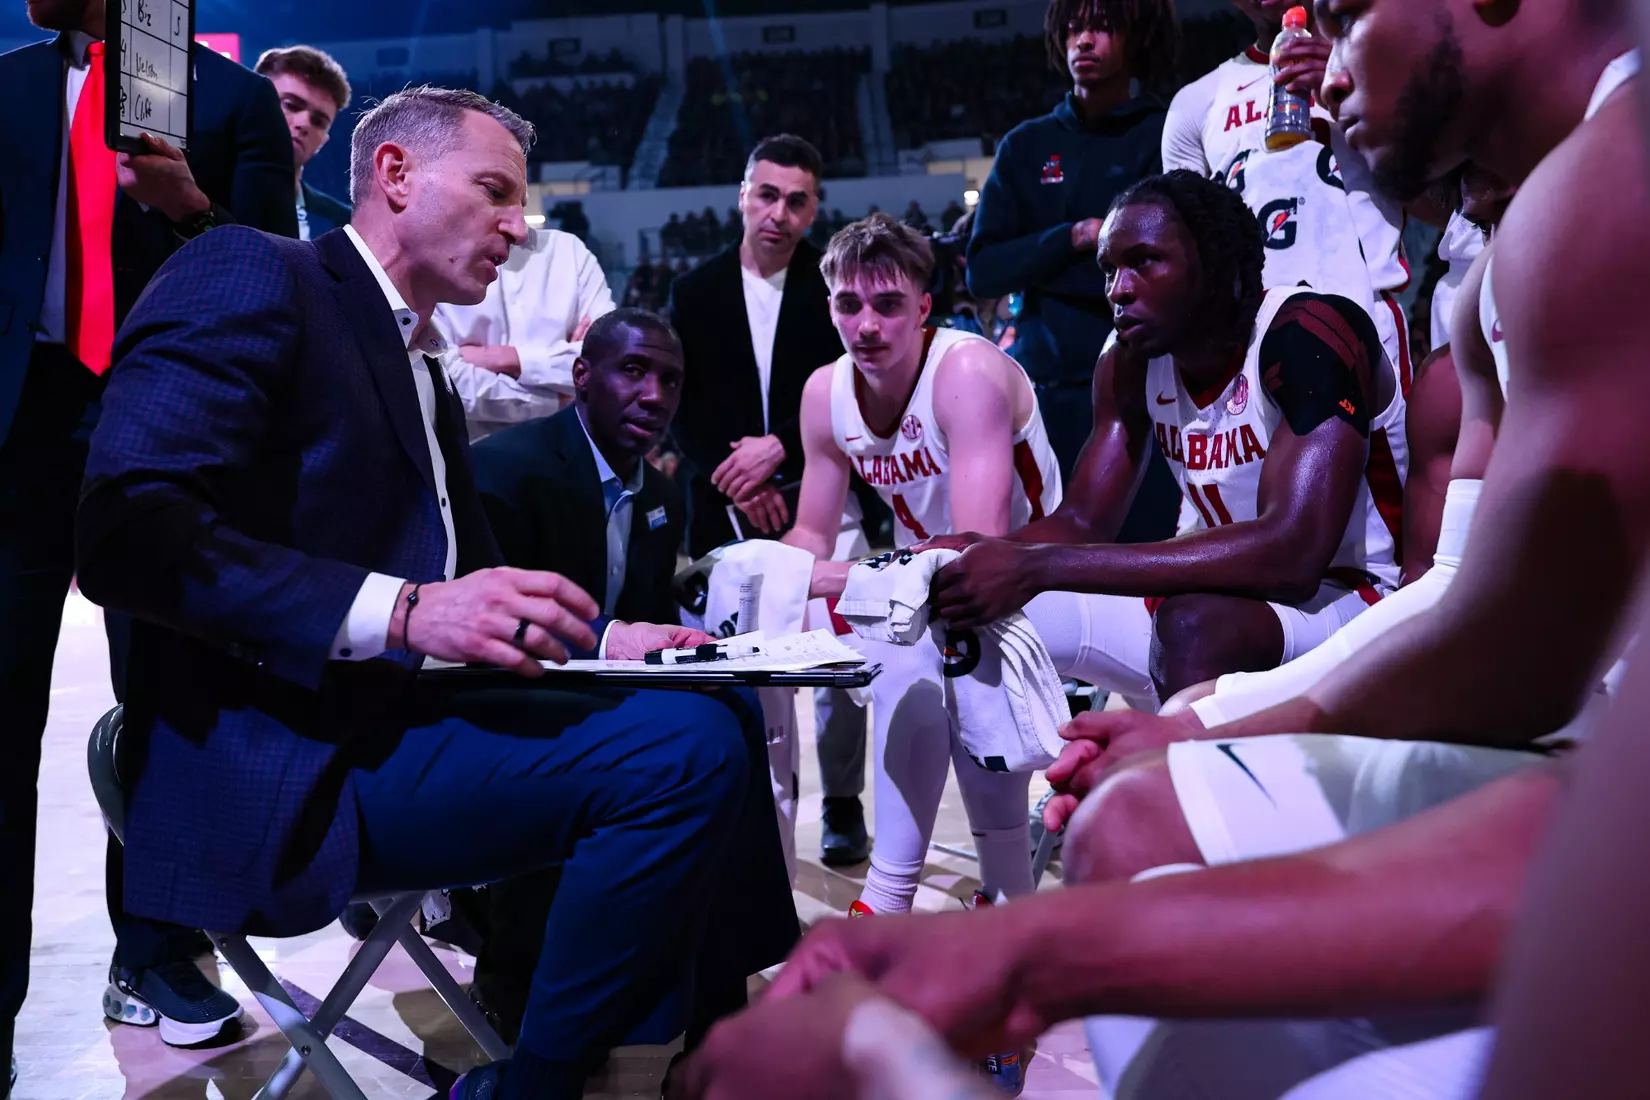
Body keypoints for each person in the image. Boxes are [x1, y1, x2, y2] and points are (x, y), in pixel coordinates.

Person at [676, 5, 1650, 1097]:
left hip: (1325, 603)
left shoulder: (1317, 321)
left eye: (1344, 15)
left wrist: (1186, 700)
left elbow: (1300, 555)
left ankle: (1035, 951)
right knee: (954, 608)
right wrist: (986, 568)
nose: (1120, 287)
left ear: (1216, 264)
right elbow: (1088, 526)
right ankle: (942, 885)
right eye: (1115, 269)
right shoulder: (1476, 277)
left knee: (1193, 629)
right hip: (1408, 668)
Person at [74, 86, 798, 1100]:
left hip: (388, 714)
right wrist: (402, 609)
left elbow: (471, 590)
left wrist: (602, 631)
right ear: (396, 176)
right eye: (495, 190)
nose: (519, 223)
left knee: (711, 696)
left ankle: (716, 1043)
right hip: (280, 748)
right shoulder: (256, 270)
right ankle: (532, 1084)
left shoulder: (418, 355)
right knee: (674, 756)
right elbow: (123, 533)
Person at [0, 0, 297, 1071]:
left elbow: (275, 282)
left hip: (165, 429)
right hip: (17, 436)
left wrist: (189, 205)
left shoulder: (226, 97)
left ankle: (160, 953)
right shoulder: (11, 86)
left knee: (168, 704)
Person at [781, 213, 1062, 917]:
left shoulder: (963, 368)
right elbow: (810, 536)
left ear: (924, 308)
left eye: (888, 305)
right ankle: (993, 897)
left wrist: (849, 582)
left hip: (1039, 576)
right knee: (850, 623)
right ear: (830, 309)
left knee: (918, 643)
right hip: (932, 590)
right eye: (849, 305)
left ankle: (888, 900)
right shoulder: (824, 392)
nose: (867, 325)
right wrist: (763, 591)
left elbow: (977, 545)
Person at [462, 308, 688, 1041]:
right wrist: (609, 641)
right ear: (582, 378)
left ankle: (693, 987)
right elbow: (486, 632)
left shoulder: (662, 493)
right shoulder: (507, 469)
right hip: (505, 698)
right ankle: (511, 976)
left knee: (721, 734)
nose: (654, 393)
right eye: (634, 371)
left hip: (600, 697)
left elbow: (650, 624)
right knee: (574, 767)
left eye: (669, 380)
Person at [668, 134, 874, 868]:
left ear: (815, 207)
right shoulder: (694, 291)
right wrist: (741, 474)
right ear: (742, 194)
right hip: (724, 503)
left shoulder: (837, 292)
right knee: (746, 676)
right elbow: (679, 403)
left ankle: (843, 801)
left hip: (830, 491)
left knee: (835, 660)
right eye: (767, 194)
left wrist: (781, 449)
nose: (779, 213)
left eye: (797, 200)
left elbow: (856, 382)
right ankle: (747, 807)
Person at [967, 0, 1178, 545]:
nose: (1085, 40)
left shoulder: (1165, 132)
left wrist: (1049, 266)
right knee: (1051, 564)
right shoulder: (1025, 146)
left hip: (1148, 389)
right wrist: (1076, 237)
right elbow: (983, 271)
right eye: (1075, 28)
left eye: (1103, 28)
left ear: (1135, 39)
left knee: (1145, 558)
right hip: (1049, 393)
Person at [1163, 0, 1413, 390]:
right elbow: (1188, 248)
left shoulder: (1379, 63)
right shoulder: (1194, 104)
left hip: (1366, 317)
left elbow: (1435, 197)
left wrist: (1357, 88)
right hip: (1250, 333)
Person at [431, 222, 617, 439]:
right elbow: (450, 385)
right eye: (496, 194)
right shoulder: (436, 260)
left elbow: (606, 363)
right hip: (474, 458)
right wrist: (557, 400)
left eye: (522, 199)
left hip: (566, 452)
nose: (517, 221)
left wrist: (505, 358)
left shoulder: (569, 252)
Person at [254, 45, 353, 240]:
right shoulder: (198, 193)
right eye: (291, 105)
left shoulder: (346, 224)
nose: (304, 123)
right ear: (252, 102)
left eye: (319, 121)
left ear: (323, 140)